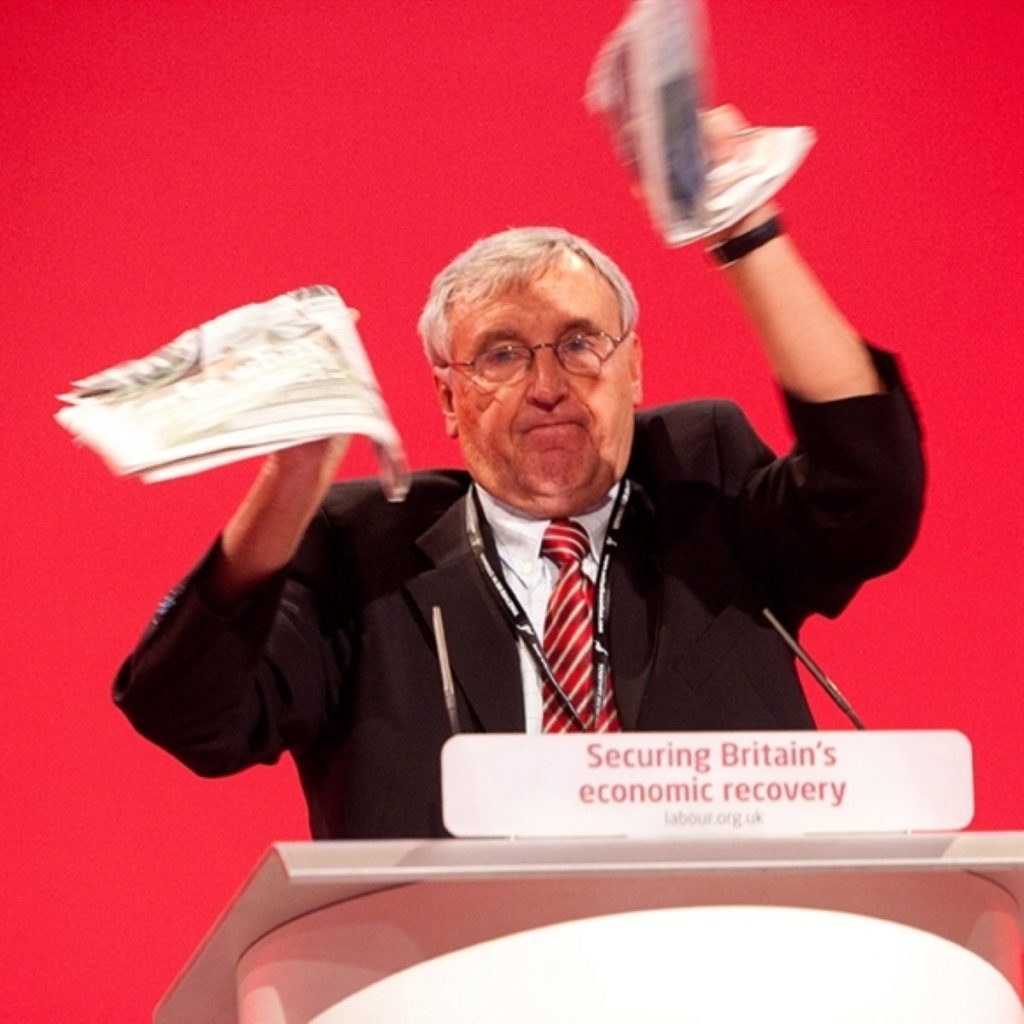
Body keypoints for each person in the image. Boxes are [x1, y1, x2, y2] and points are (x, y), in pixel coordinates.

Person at [114, 108, 924, 839]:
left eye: (579, 342)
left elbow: (871, 489)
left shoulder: (699, 484)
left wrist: (743, 224)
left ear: (634, 369)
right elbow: (192, 716)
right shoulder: (362, 551)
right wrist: (292, 478)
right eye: (502, 353)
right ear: (448, 396)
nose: (546, 386)